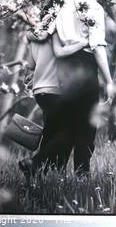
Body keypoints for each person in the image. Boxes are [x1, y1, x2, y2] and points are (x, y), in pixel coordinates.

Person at [53, 0, 114, 176]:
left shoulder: (63, 3)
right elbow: (97, 47)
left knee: (67, 120)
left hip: (63, 64)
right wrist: (109, 81)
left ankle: (54, 173)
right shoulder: (95, 8)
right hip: (85, 64)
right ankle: (81, 174)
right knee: (87, 124)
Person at [19, 25, 88, 180]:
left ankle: (45, 177)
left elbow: (31, 65)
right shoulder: (61, 31)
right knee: (70, 131)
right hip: (56, 88)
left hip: (40, 91)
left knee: (52, 134)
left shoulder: (34, 34)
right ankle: (34, 162)